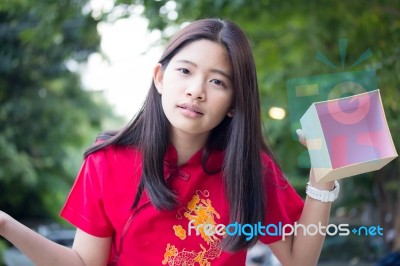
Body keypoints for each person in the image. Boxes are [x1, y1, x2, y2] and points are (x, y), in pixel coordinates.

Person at [0, 18, 338, 265]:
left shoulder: (249, 169)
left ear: (235, 102)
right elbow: (84, 263)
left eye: (218, 81)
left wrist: (323, 173)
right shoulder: (108, 161)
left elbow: (298, 261)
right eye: (185, 71)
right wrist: (5, 224)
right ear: (160, 78)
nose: (196, 90)